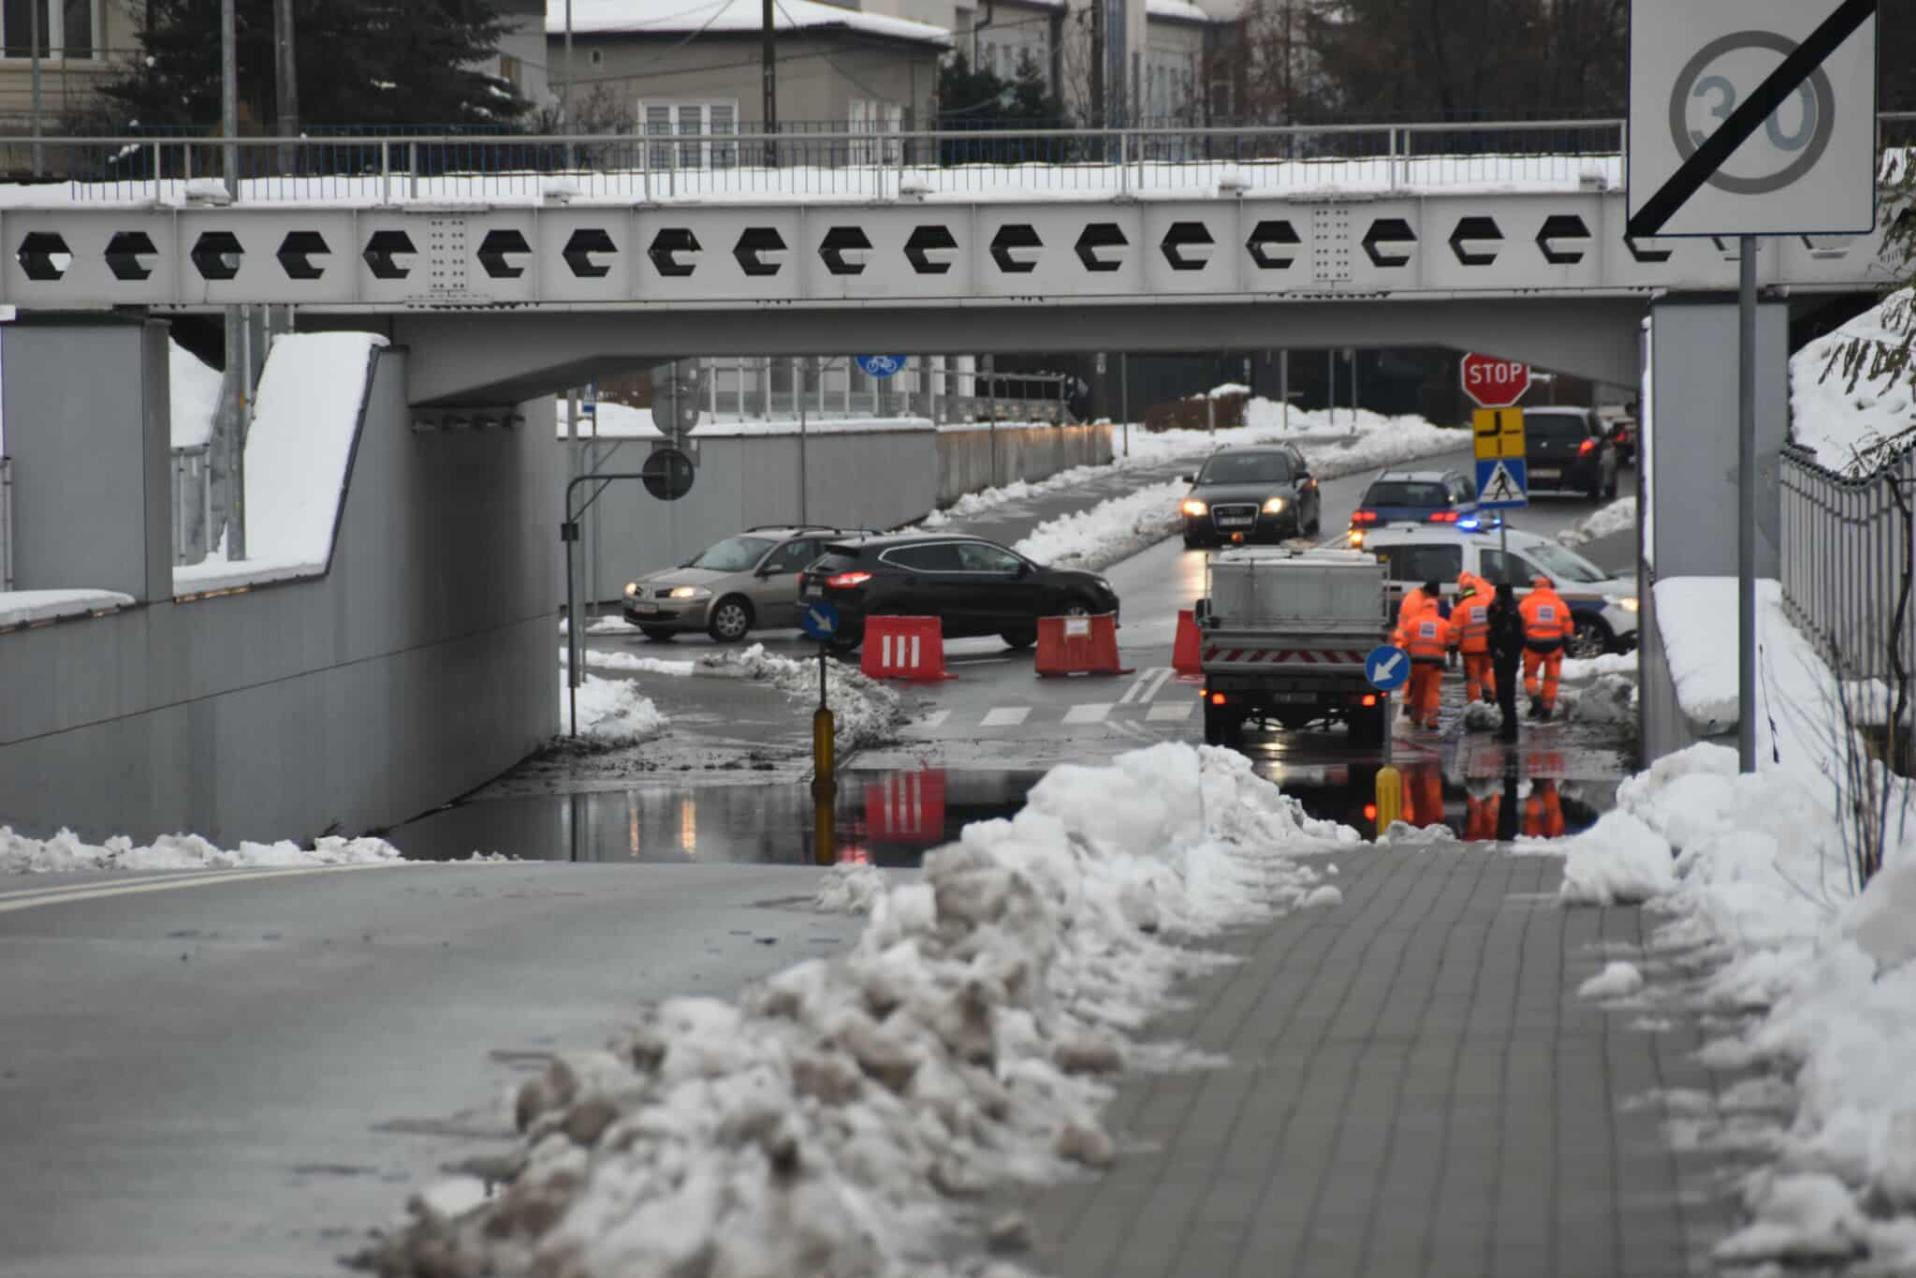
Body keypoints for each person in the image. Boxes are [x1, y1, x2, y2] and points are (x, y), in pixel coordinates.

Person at [1520, 574, 1576, 719]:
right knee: (1551, 678)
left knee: (1530, 674)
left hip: (1532, 645)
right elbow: (1568, 625)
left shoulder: (1526, 603)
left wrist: (1521, 639)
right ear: (1550, 587)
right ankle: (1547, 708)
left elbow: (1520, 624)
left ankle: (1535, 696)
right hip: (1554, 646)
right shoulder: (1559, 604)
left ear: (1535, 587)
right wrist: (1568, 642)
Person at [1393, 590, 1448, 730]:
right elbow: (1450, 642)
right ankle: (1432, 720)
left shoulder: (1413, 623)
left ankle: (1417, 717)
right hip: (1436, 663)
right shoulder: (1443, 624)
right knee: (1433, 691)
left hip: (1417, 662)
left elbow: (1405, 642)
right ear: (1436, 608)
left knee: (1418, 690)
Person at [1445, 572, 1495, 703]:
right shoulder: (1487, 603)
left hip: (1470, 650)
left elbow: (1454, 631)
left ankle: (1474, 700)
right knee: (1486, 671)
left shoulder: (1461, 608)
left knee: (1472, 677)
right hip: (1487, 646)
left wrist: (1453, 648)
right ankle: (1490, 693)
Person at [1486, 581, 1524, 742]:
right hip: (1508, 657)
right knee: (1506, 695)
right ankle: (1507, 728)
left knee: (1505, 695)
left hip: (1505, 658)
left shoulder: (1507, 613)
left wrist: (1500, 650)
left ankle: (1509, 731)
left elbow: (1504, 634)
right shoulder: (1510, 609)